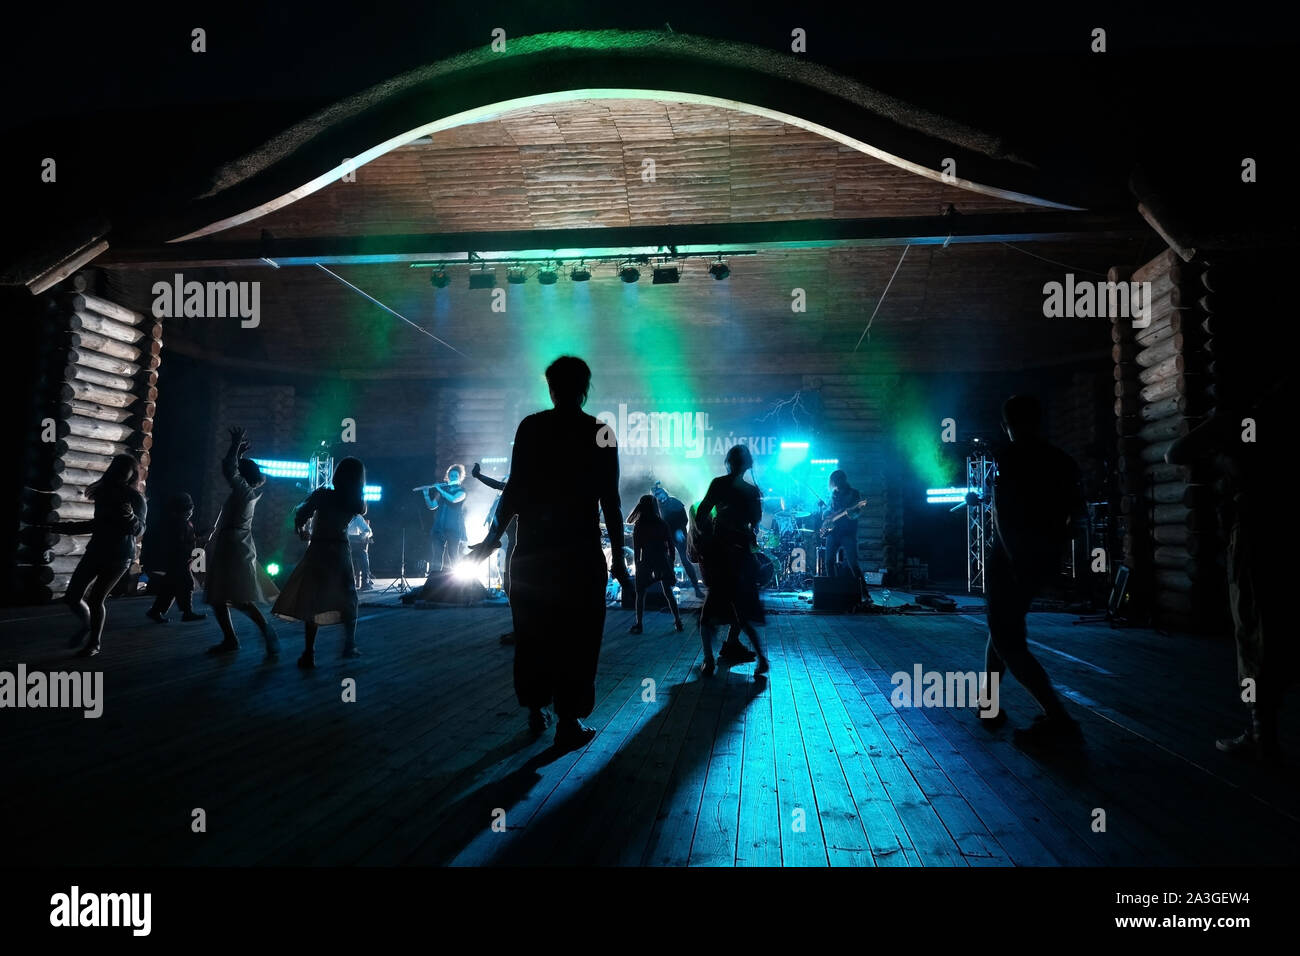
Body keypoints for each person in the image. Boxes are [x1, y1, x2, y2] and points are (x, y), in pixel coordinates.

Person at [467, 356, 630, 752]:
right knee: (580, 637)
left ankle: (535, 709)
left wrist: (491, 541)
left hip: (535, 554)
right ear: (585, 388)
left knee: (534, 634)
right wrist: (620, 560)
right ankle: (568, 720)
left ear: (551, 388)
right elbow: (610, 501)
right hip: (579, 553)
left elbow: (515, 491)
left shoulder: (532, 427)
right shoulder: (601, 433)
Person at [1167, 384, 1284, 759]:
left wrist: (1219, 441)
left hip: (1254, 528)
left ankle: (1261, 733)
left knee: (1252, 626)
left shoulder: (1236, 420)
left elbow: (1175, 453)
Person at [981, 395, 1084, 745]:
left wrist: (1014, 559)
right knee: (1003, 628)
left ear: (1005, 425)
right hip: (1042, 557)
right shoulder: (1062, 461)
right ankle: (988, 702)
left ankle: (1058, 718)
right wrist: (1050, 550)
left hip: (1010, 560)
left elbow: (1003, 514)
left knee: (1007, 638)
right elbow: (1077, 515)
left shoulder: (1008, 458)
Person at [41, 453, 146, 657]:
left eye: (125, 470)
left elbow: (140, 529)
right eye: (117, 469)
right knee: (72, 597)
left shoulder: (135, 498)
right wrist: (64, 528)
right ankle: (87, 626)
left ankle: (94, 643)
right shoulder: (105, 493)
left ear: (132, 474)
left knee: (96, 599)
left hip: (120, 556)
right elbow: (96, 524)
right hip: (96, 550)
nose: (120, 473)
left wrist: (130, 516)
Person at [273, 457, 368, 668]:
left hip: (319, 548)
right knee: (348, 596)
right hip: (340, 549)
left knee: (313, 597)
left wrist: (301, 530)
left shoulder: (323, 495)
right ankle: (349, 645)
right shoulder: (356, 502)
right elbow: (360, 508)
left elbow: (301, 514)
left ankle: (309, 652)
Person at [694, 444, 769, 678]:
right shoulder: (751, 490)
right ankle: (760, 658)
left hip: (720, 554)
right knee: (742, 608)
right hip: (741, 555)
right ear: (748, 465)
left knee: (709, 610)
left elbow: (701, 512)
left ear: (728, 462)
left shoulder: (719, 484)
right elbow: (755, 521)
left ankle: (708, 660)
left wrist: (704, 538)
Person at [204, 427, 280, 658]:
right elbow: (232, 468)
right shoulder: (245, 492)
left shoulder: (245, 492)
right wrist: (238, 454)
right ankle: (230, 639)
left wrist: (236, 444)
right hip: (232, 543)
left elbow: (229, 468)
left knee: (239, 598)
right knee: (219, 596)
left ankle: (266, 632)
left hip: (235, 546)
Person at [472, 462, 516, 644]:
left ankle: (526, 629)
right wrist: (479, 477)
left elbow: (498, 485)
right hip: (515, 546)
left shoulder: (523, 489)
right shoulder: (514, 490)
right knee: (510, 586)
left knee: (516, 587)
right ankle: (521, 628)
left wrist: (479, 477)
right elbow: (498, 485)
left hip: (525, 547)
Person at [146, 492, 206, 623]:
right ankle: (187, 612)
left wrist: (203, 533)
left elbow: (191, 536)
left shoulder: (185, 523)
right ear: (179, 510)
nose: (190, 512)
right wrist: (199, 540)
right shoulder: (177, 525)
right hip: (179, 561)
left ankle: (155, 611)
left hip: (183, 561)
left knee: (170, 588)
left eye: (191, 510)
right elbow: (180, 543)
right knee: (187, 584)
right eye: (187, 510)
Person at [627, 494, 684, 634]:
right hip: (661, 560)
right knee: (668, 592)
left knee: (641, 594)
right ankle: (678, 621)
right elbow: (670, 545)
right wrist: (670, 562)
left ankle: (639, 624)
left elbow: (637, 549)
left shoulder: (639, 526)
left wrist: (638, 565)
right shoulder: (661, 524)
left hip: (646, 560)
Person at [652, 482, 705, 599]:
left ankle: (696, 588)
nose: (660, 497)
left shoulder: (675, 502)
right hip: (665, 537)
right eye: (657, 495)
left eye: (661, 494)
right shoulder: (657, 506)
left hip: (678, 536)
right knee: (667, 562)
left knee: (686, 561)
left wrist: (680, 530)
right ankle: (668, 591)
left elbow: (684, 519)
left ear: (665, 492)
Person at [825, 469, 870, 603]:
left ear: (843, 480)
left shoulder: (854, 494)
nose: (836, 484)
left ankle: (865, 594)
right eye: (834, 482)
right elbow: (830, 511)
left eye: (838, 481)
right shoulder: (833, 494)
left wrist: (850, 513)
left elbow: (857, 513)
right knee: (828, 562)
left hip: (848, 533)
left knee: (853, 564)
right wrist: (826, 512)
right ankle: (831, 591)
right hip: (833, 532)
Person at [422, 465, 467, 573]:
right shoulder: (443, 490)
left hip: (453, 528)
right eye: (451, 475)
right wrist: (426, 495)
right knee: (436, 556)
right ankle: (434, 581)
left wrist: (439, 490)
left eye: (455, 475)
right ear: (448, 477)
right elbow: (432, 506)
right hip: (439, 528)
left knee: (453, 555)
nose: (453, 477)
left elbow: (453, 499)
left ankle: (455, 582)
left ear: (459, 477)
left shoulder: (462, 491)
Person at [347, 513, 374, 591]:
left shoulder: (357, 517)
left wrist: (364, 535)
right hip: (340, 548)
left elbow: (368, 531)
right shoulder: (338, 514)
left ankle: (365, 582)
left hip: (354, 548)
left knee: (363, 555)